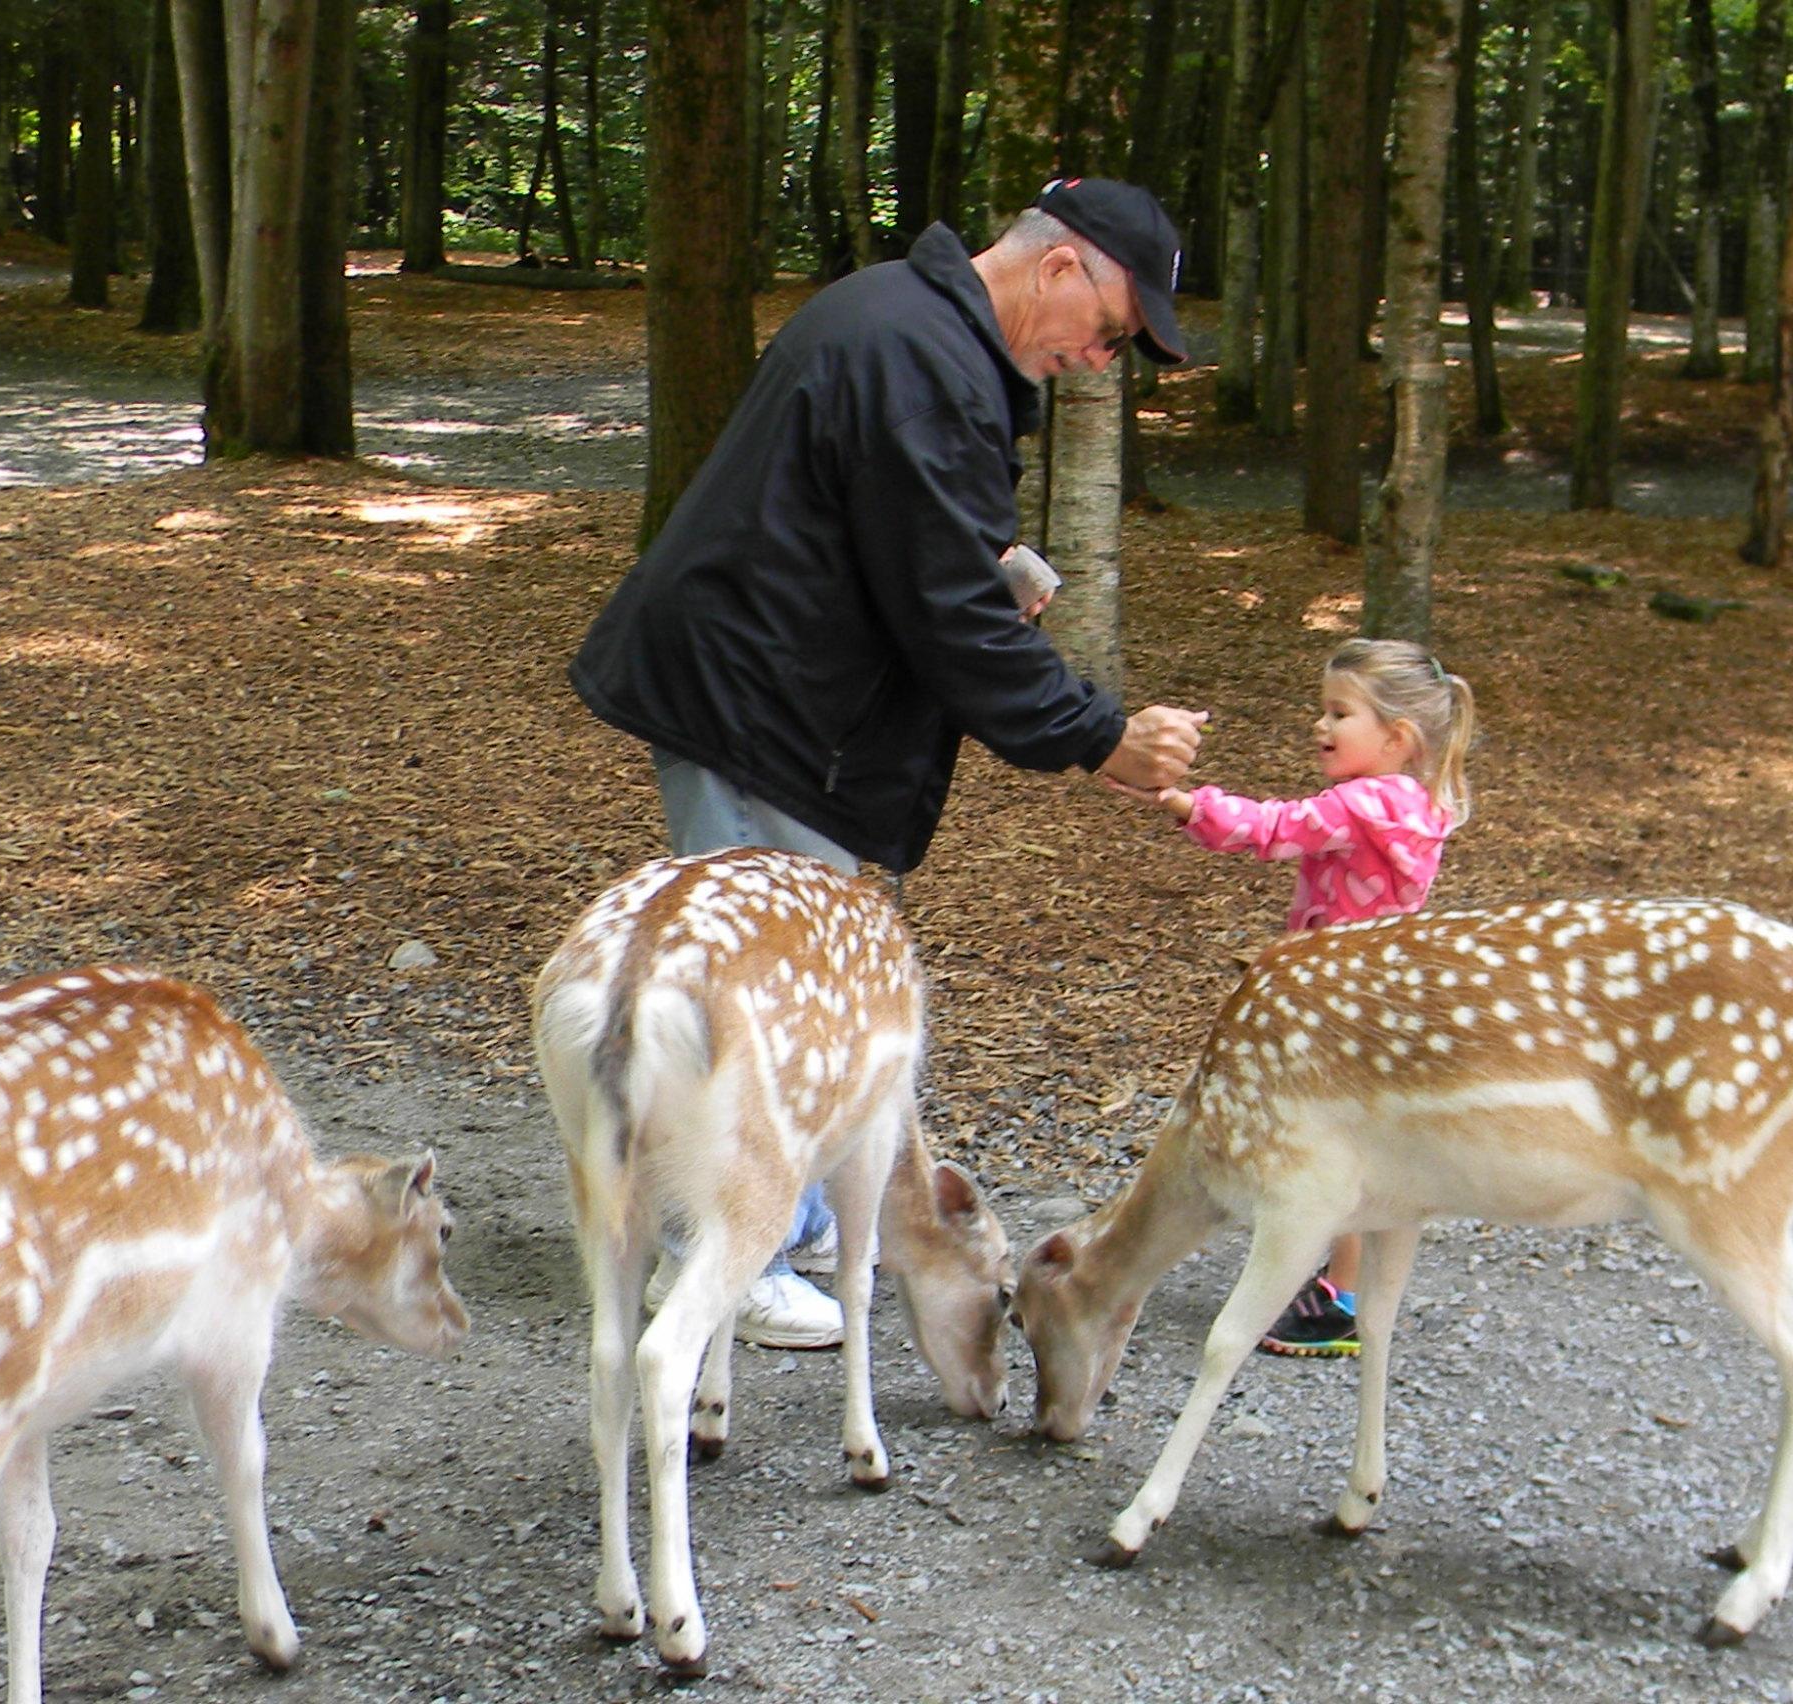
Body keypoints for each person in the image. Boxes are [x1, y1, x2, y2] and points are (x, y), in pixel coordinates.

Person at [569, 178, 1208, 1348]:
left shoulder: (903, 326)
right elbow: (950, 618)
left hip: (771, 689)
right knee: (754, 999)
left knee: (783, 987)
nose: (1103, 360)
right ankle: (718, 1254)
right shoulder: (924, 362)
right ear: (1061, 268)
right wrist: (1097, 736)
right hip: (755, 705)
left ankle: (788, 1215)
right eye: (1113, 330)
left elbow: (888, 528)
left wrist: (990, 552)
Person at [1120, 637, 1475, 1356]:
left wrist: (1184, 803)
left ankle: (1336, 1298)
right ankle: (1337, 1279)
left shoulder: (1366, 802)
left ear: (1397, 737)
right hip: (1381, 992)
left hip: (1339, 999)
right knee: (1355, 1139)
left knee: (1337, 1143)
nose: (1320, 725)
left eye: (1339, 713)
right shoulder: (1417, 802)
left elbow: (1277, 830)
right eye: (1323, 709)